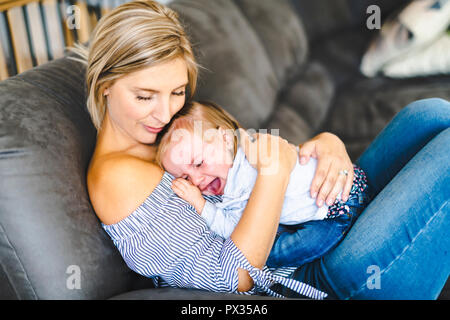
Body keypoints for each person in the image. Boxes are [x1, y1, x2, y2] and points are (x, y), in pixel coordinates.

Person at [70, 0, 449, 299]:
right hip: (314, 271)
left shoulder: (163, 131)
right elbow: (235, 277)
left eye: (177, 92)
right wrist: (276, 171)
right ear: (105, 84)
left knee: (428, 114)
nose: (166, 111)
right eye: (144, 96)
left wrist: (327, 145)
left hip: (315, 214)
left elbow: (248, 160)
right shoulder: (117, 177)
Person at [155, 100, 371, 268]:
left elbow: (234, 232)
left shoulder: (244, 170)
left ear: (225, 138)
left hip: (338, 205)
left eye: (199, 162)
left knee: (273, 255)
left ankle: (354, 226)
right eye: (185, 178)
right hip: (348, 182)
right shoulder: (245, 155)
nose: (197, 180)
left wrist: (203, 207)